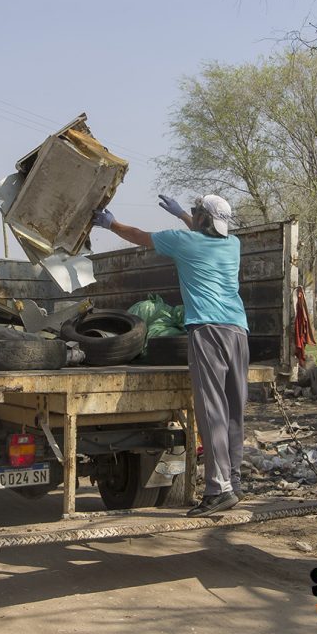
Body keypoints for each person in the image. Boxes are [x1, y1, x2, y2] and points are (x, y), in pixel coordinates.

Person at [92, 193, 249, 517]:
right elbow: (206, 230)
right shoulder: (232, 244)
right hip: (238, 331)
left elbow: (139, 236)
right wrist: (182, 215)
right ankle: (234, 481)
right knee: (234, 410)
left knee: (212, 410)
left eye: (195, 213)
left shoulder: (184, 242)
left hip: (208, 331)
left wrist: (110, 223)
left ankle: (219, 490)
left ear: (202, 218)